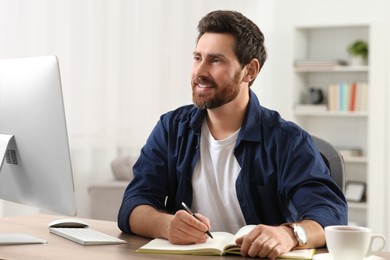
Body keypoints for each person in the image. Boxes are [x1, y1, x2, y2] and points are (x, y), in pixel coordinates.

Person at [117, 10, 347, 259]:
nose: (200, 72)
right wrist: (166, 225)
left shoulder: (289, 140)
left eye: (216, 60)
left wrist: (289, 234)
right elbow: (133, 204)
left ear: (250, 71)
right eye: (197, 58)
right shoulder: (171, 128)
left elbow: (330, 213)